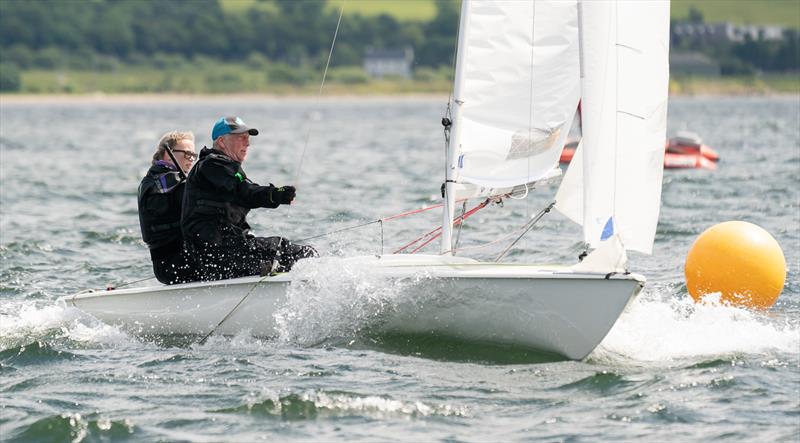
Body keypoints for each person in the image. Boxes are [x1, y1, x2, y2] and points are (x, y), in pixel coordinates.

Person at [182, 116, 316, 280]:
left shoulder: (224, 167)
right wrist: (275, 194)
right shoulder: (213, 165)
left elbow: (244, 191)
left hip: (225, 252)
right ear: (222, 141)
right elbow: (245, 191)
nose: (248, 143)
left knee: (284, 255)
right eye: (241, 138)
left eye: (248, 138)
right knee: (304, 254)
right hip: (219, 255)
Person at [138, 131, 200, 284]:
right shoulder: (159, 183)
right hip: (173, 265)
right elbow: (177, 191)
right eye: (186, 154)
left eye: (193, 155)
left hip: (182, 260)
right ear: (168, 154)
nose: (191, 159)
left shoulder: (174, 181)